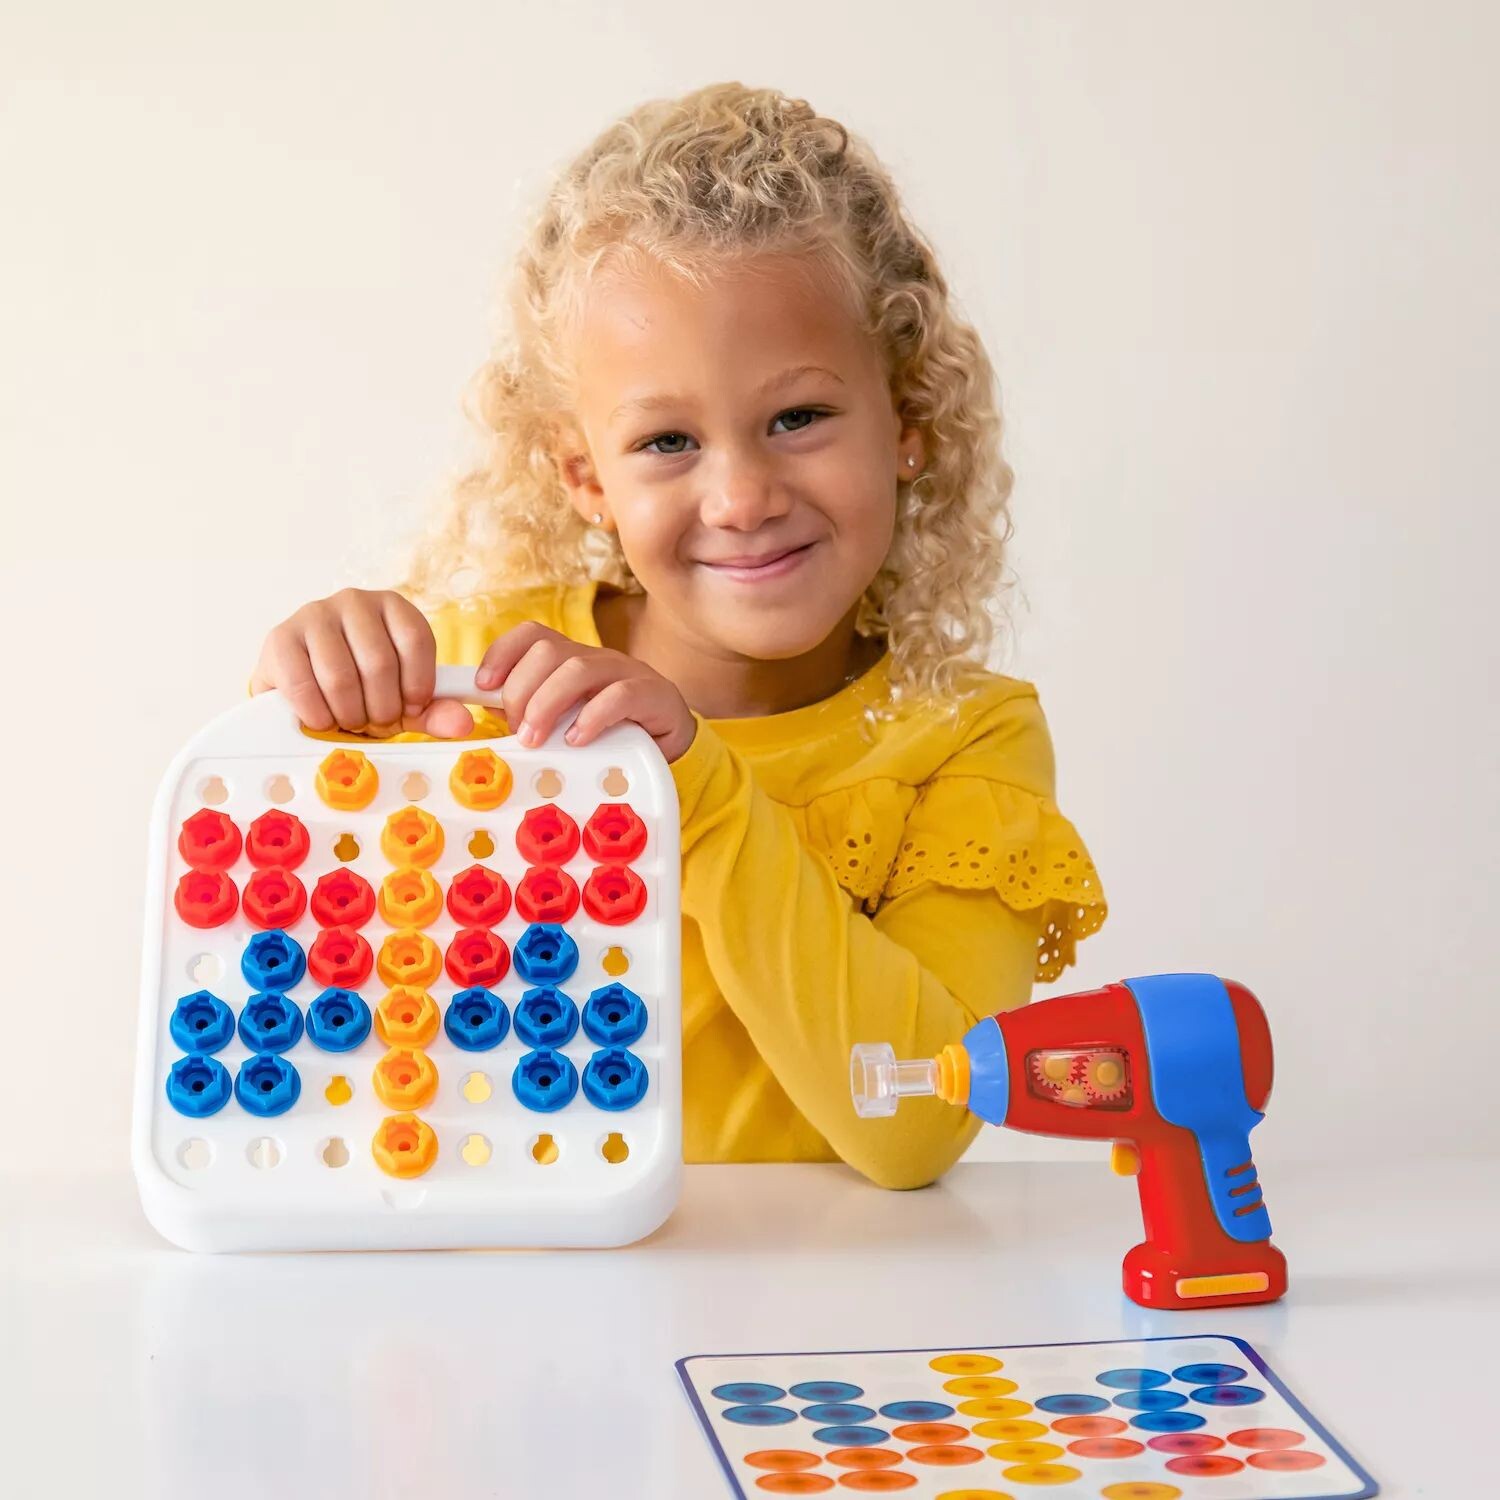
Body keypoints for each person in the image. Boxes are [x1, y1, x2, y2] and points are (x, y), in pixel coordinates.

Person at [251, 82, 1108, 1188]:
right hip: (505, 1278)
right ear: (584, 477)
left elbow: (914, 1127)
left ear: (910, 425)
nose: (742, 498)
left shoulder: (965, 743)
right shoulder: (477, 680)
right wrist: (310, 690)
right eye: (666, 441)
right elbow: (298, 931)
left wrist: (697, 786)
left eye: (798, 418)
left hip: (829, 1293)